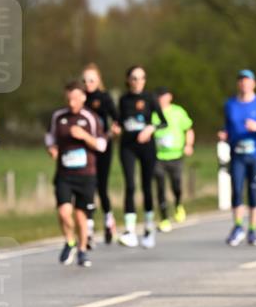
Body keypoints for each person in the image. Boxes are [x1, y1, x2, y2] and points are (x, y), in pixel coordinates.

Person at [46, 81, 108, 266]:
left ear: (83, 97)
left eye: (75, 99)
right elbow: (50, 136)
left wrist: (84, 136)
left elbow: (102, 145)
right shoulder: (58, 116)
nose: (71, 103)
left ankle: (82, 250)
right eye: (68, 99)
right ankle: (70, 241)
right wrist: (52, 148)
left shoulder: (90, 118)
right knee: (64, 212)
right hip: (64, 174)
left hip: (86, 174)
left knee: (81, 216)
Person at [220, 70, 256, 246]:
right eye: (241, 81)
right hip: (237, 154)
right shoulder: (230, 104)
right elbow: (227, 126)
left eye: (247, 80)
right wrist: (224, 134)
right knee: (236, 190)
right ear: (238, 84)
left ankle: (252, 230)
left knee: (253, 190)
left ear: (253, 83)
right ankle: (238, 227)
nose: (244, 84)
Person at [117, 65, 166, 248]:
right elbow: (120, 121)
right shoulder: (123, 99)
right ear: (128, 80)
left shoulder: (150, 98)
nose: (138, 82)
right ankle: (130, 230)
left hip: (146, 146)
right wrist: (116, 128)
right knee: (130, 185)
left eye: (141, 78)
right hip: (128, 146)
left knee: (146, 186)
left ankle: (148, 227)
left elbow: (163, 122)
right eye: (134, 78)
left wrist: (151, 128)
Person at [82, 63, 120, 245]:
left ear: (98, 81)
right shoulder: (80, 98)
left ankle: (108, 221)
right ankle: (88, 228)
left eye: (91, 80)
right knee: (88, 186)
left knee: (101, 186)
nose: (88, 84)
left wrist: (113, 132)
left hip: (103, 146)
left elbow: (117, 119)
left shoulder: (104, 98)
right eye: (85, 81)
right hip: (85, 148)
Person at [150, 87, 194, 232]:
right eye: (159, 96)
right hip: (158, 157)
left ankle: (178, 204)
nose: (161, 99)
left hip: (176, 155)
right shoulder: (153, 113)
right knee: (160, 187)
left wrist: (188, 145)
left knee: (176, 185)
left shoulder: (178, 111)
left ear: (170, 97)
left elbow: (189, 129)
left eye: (164, 96)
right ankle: (164, 218)